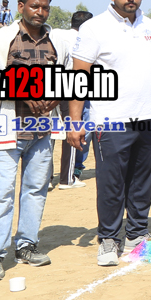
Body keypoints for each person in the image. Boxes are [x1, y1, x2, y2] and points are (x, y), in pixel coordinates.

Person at [67, 0, 151, 267]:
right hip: (110, 121)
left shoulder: (149, 25)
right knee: (111, 185)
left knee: (142, 183)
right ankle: (109, 239)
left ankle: (137, 235)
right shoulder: (94, 28)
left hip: (147, 119)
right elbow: (79, 77)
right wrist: (75, 123)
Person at [0, 0, 75, 282]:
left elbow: (71, 78)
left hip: (42, 133)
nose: (40, 12)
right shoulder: (2, 39)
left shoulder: (58, 42)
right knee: (2, 194)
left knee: (35, 190)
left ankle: (26, 246)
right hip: (8, 129)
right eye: (34, 6)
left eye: (45, 7)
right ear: (21, 7)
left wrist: (58, 97)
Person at [55, 10, 95, 189]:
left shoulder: (56, 34)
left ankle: (47, 176)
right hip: (73, 88)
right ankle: (70, 176)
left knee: (49, 133)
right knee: (76, 129)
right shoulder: (83, 40)